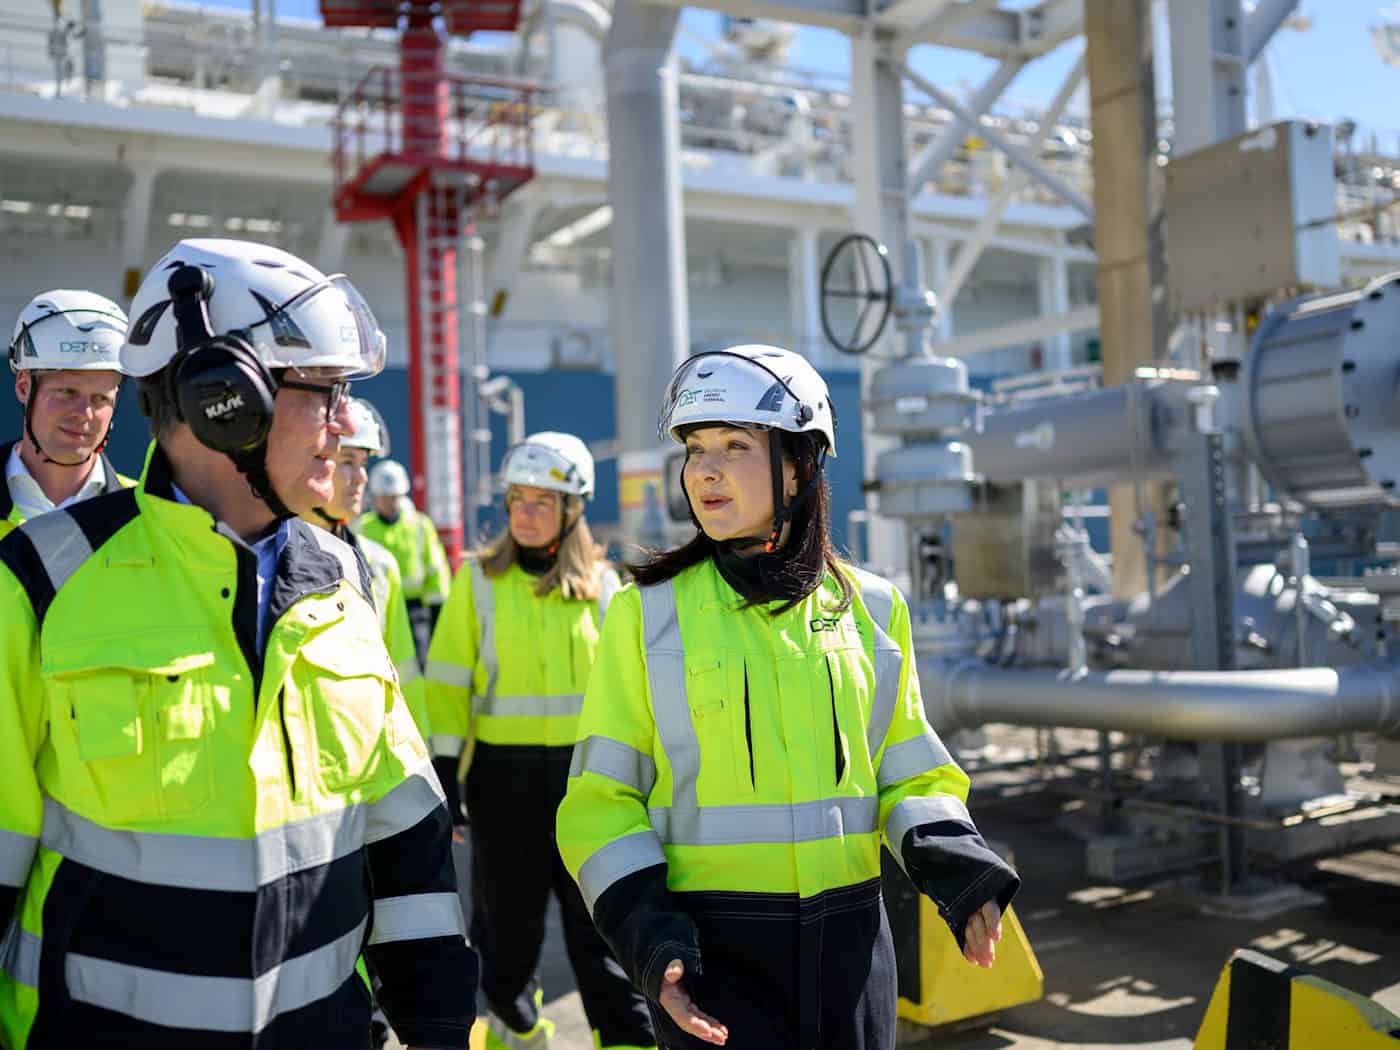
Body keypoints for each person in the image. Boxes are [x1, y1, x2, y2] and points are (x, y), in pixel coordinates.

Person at [0, 238, 478, 1049]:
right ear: (224, 399)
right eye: (323, 392)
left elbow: (405, 842)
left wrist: (438, 1027)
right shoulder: (40, 584)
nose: (344, 423)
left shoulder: (350, 579)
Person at [557, 345, 1019, 1050]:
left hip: (854, 952)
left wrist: (957, 867)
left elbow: (906, 763)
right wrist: (649, 936)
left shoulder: (873, 609)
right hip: (713, 962)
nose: (705, 470)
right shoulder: (644, 614)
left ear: (799, 464)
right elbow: (600, 801)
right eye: (696, 449)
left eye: (735, 446)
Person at [426, 432, 652, 1050]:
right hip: (504, 785)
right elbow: (446, 686)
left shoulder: (608, 591)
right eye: (516, 499)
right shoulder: (475, 585)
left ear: (573, 509)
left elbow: (633, 699)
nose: (523, 513)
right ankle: (515, 1032)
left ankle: (628, 1040)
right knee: (506, 933)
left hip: (591, 784)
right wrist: (444, 771)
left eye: (541, 501)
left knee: (601, 929)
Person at [304, 396, 432, 745]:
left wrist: (425, 763)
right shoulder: (265, 557)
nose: (361, 478)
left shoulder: (379, 565)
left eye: (363, 464)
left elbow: (404, 676)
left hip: (367, 762)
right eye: (346, 462)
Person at [3, 289, 134, 539]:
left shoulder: (147, 512)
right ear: (23, 387)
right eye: (67, 392)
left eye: (100, 398)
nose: (84, 413)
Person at [358, 457, 452, 667]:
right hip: (375, 609)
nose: (391, 502)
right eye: (385, 497)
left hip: (416, 612)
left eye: (395, 497)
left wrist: (438, 616)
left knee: (415, 667)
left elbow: (437, 571)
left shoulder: (420, 525)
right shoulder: (362, 527)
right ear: (375, 497)